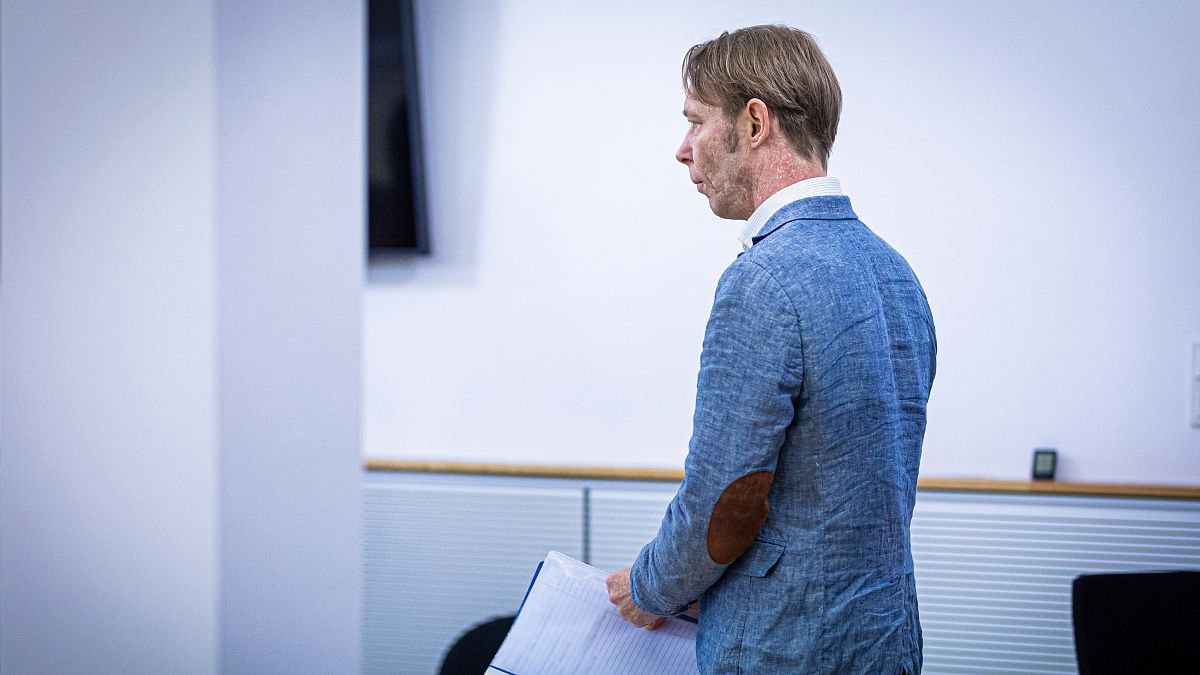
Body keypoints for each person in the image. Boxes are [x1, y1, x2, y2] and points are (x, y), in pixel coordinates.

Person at [605, 25, 936, 673]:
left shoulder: (762, 279)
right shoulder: (895, 273)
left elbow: (725, 499)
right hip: (886, 636)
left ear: (755, 122)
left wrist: (650, 587)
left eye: (695, 122)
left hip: (784, 647)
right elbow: (830, 499)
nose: (682, 150)